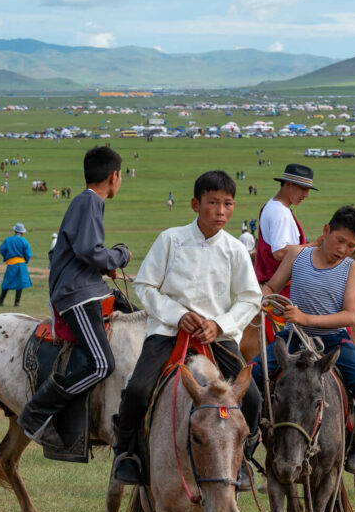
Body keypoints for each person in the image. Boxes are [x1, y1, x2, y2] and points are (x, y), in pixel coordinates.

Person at [111, 170, 260, 486]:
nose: (221, 211)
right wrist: (178, 315)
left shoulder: (235, 250)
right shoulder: (171, 239)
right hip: (168, 331)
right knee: (137, 389)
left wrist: (218, 325)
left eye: (228, 204)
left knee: (254, 397)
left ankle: (243, 458)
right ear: (195, 204)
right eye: (212, 203)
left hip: (216, 338)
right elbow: (146, 285)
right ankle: (126, 453)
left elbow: (250, 299)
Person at [18, 146, 131, 455]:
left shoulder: (87, 202)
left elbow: (84, 251)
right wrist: (120, 255)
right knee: (101, 363)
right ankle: (38, 412)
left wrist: (104, 264)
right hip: (76, 296)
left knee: (132, 311)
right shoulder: (89, 203)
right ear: (114, 177)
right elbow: (90, 251)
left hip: (88, 287)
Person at [252, 205, 355, 474]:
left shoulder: (351, 269)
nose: (343, 249)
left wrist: (306, 318)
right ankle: (248, 440)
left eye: (351, 246)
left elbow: (349, 316)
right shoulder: (297, 255)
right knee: (251, 375)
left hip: (334, 343)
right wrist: (264, 297)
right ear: (326, 231)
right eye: (339, 240)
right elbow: (272, 286)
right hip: (294, 339)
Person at [254, 163, 316, 293]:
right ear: (288, 184)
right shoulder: (280, 212)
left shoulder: (272, 206)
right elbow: (280, 252)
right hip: (283, 290)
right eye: (303, 189)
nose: (306, 194)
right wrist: (314, 246)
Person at [0, 223, 32, 307]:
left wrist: (7, 257)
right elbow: (28, 254)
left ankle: (0, 302)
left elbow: (2, 250)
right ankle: (17, 303)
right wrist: (25, 260)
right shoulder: (24, 241)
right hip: (21, 264)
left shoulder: (8, 240)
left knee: (6, 282)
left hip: (11, 263)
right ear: (22, 232)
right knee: (20, 283)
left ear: (14, 231)